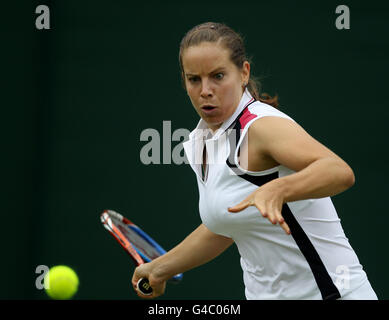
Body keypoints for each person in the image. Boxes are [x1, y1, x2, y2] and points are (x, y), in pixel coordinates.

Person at [132, 22, 377, 300]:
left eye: (218, 76)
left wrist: (278, 189)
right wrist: (160, 268)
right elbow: (224, 225)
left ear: (243, 73)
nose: (206, 90)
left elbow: (338, 171)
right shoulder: (200, 143)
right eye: (194, 79)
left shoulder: (261, 126)